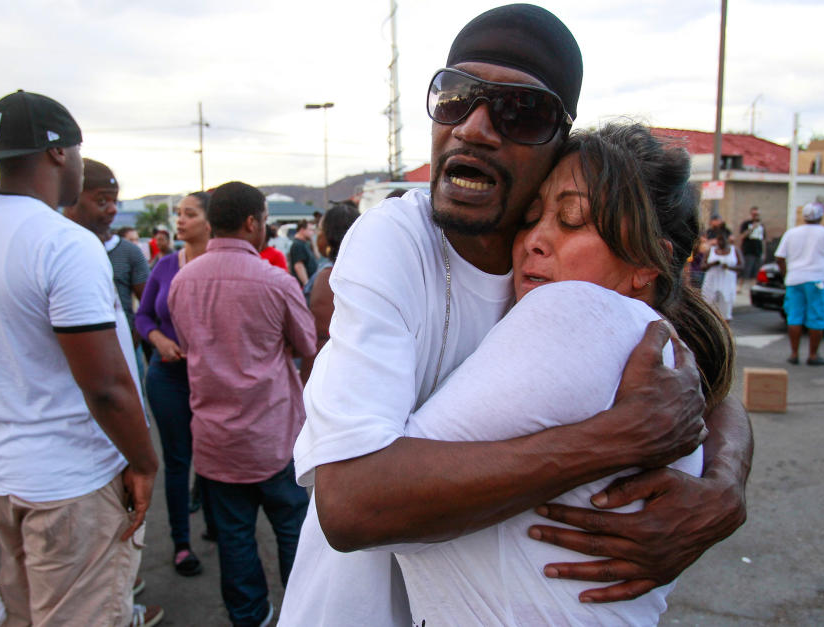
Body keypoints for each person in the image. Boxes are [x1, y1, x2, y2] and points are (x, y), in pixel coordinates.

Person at [280, 5, 752, 625]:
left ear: (557, 145)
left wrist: (725, 486)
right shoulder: (398, 239)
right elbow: (351, 506)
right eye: (454, 96)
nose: (474, 127)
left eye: (519, 110)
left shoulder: (567, 281)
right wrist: (611, 440)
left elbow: (700, 374)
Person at [394, 122, 734, 625]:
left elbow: (378, 507)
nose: (534, 240)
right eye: (531, 217)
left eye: (572, 220)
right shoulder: (657, 341)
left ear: (648, 264)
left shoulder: (573, 313)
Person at [0, 90, 161, 626]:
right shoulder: (61, 241)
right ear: (59, 153)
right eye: (79, 151)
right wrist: (145, 462)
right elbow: (105, 385)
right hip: (66, 482)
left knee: (21, 614)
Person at [169, 182, 316, 627]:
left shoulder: (182, 281)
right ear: (253, 222)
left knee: (234, 540)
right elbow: (307, 345)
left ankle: (248, 617)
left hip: (216, 441)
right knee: (293, 532)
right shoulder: (276, 282)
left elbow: (187, 342)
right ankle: (302, 613)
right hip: (274, 435)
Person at [135, 191, 211, 577]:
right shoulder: (165, 266)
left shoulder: (222, 266)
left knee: (213, 456)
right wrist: (159, 340)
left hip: (212, 379)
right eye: (179, 214)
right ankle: (181, 544)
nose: (179, 221)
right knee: (178, 460)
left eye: (190, 214)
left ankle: (215, 522)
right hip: (167, 377)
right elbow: (143, 316)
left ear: (211, 222)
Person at [64, 159, 150, 351]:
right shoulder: (58, 251)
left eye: (115, 201)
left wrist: (130, 343)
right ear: (71, 200)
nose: (112, 209)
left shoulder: (129, 252)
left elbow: (147, 306)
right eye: (101, 201)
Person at [775, 201, 824, 365]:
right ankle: (813, 355)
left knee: (794, 317)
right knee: (817, 317)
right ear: (820, 217)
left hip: (794, 279)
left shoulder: (791, 233)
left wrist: (787, 276)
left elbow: (779, 257)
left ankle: (794, 354)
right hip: (817, 280)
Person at [299, 203, 360, 383]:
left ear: (328, 237)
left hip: (323, 372)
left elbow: (313, 333)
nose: (317, 235)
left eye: (320, 230)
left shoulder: (325, 278)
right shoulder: (367, 274)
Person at [701, 228, 742, 322]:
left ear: (727, 239)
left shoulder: (734, 250)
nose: (720, 242)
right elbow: (702, 267)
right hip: (711, 284)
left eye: (722, 239)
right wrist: (712, 264)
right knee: (709, 309)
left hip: (727, 284)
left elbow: (741, 266)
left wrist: (728, 267)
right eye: (718, 239)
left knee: (725, 313)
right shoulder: (710, 251)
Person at [738, 206, 766, 292]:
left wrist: (764, 253)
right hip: (748, 250)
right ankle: (740, 286)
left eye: (757, 214)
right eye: (754, 214)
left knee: (756, 271)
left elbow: (763, 240)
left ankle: (753, 287)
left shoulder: (762, 225)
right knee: (746, 270)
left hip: (758, 250)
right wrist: (752, 228)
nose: (756, 216)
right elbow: (742, 236)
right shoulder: (746, 224)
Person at [288, 219, 317, 287]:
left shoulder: (305, 243)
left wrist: (312, 242)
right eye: (310, 230)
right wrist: (307, 284)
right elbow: (299, 266)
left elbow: (317, 256)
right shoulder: (298, 245)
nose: (312, 232)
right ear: (302, 230)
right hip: (303, 286)